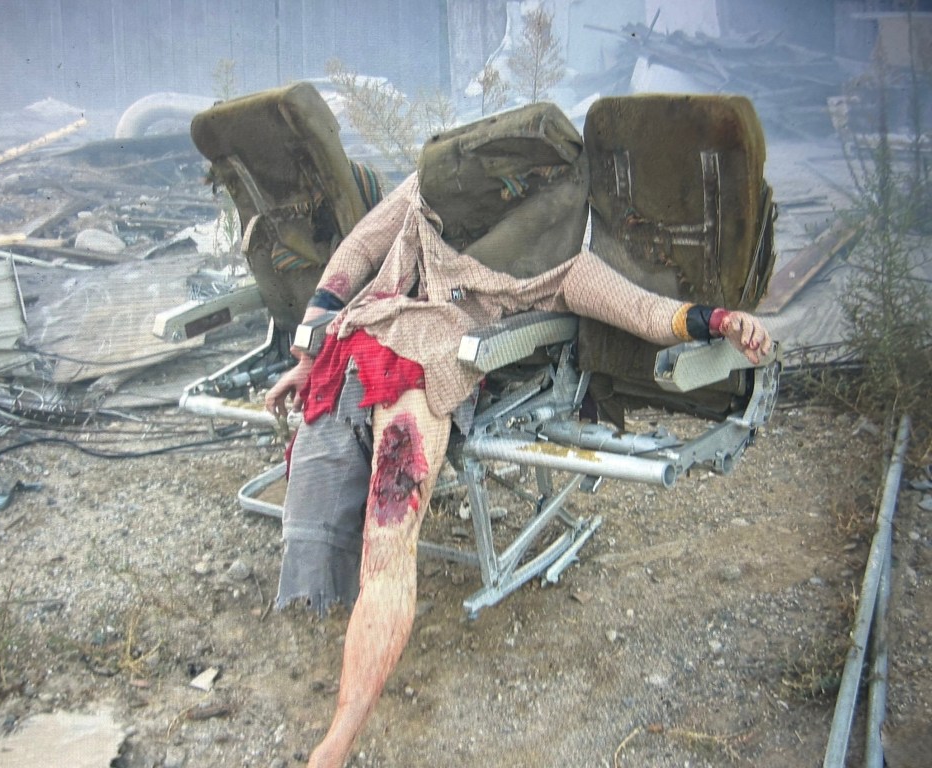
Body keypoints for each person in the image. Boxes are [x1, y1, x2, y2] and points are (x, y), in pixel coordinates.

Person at [264, 171, 772, 768]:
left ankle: (337, 742)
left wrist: (721, 321)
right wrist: (307, 355)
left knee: (388, 546)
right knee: (316, 502)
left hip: (423, 374)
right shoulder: (430, 191)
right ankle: (327, 609)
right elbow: (356, 252)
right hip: (348, 350)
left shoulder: (560, 260)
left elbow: (643, 309)